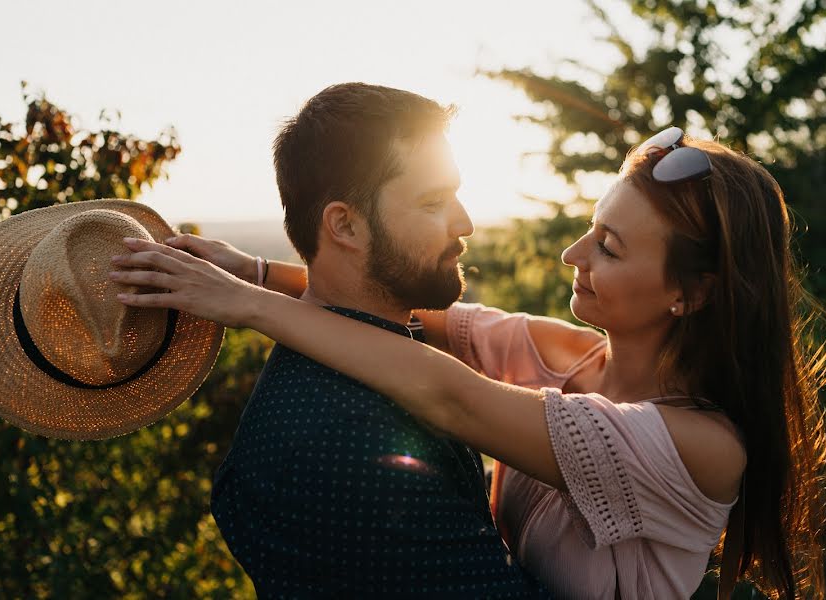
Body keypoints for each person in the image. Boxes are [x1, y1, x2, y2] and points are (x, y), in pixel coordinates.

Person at [111, 126, 826, 599]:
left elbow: (453, 398)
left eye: (611, 249)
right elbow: (409, 321)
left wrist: (247, 309)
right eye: (593, 229)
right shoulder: (568, 357)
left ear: (692, 293)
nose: (574, 255)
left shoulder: (700, 447)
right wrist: (252, 271)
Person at [113, 83, 548, 597]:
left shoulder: (370, 357)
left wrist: (255, 275)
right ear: (345, 224)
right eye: (433, 201)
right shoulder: (349, 442)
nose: (465, 222)